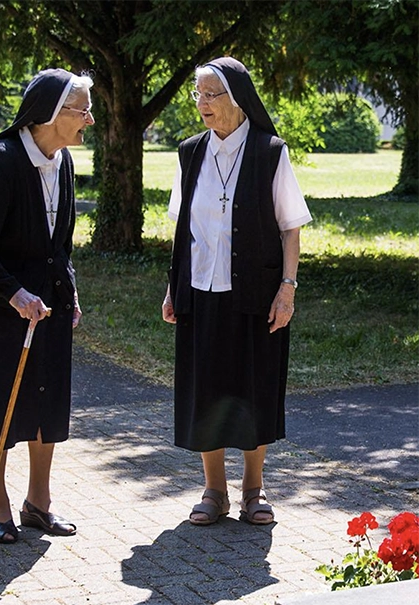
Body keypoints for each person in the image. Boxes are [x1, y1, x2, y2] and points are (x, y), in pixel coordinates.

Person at [162, 57, 311, 526]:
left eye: (212, 94)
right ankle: (213, 490)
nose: (202, 104)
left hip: (256, 294)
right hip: (200, 289)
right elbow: (182, 229)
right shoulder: (190, 153)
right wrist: (172, 288)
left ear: (237, 98)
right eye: (198, 95)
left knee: (254, 388)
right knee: (206, 388)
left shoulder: (270, 151)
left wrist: (286, 289)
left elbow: (291, 228)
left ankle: (253, 490)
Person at [0, 68, 94, 543]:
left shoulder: (64, 161)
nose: (90, 120)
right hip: (1, 307)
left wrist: (68, 290)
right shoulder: (5, 160)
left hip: (49, 306)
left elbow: (61, 243)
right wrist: (14, 293)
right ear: (53, 114)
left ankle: (39, 503)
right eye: (83, 110)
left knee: (46, 402)